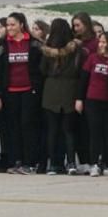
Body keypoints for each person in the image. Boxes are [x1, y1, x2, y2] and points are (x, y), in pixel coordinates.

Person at [0, 12, 43, 174]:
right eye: (7, 25)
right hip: (10, 92)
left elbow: (40, 68)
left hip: (29, 91)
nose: (9, 28)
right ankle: (17, 161)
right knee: (13, 128)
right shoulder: (3, 45)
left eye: (12, 24)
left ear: (21, 24)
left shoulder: (34, 44)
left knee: (28, 126)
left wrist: (37, 88)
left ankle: (31, 162)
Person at [40, 19, 82, 175]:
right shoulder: (76, 49)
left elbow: (42, 69)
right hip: (70, 89)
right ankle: (71, 162)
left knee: (52, 130)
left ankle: (53, 164)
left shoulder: (47, 50)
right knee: (68, 130)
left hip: (51, 89)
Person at [78, 31, 108, 176]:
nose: (100, 45)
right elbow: (84, 79)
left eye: (103, 42)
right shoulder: (93, 58)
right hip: (93, 99)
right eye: (100, 42)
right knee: (94, 132)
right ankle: (94, 163)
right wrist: (79, 99)